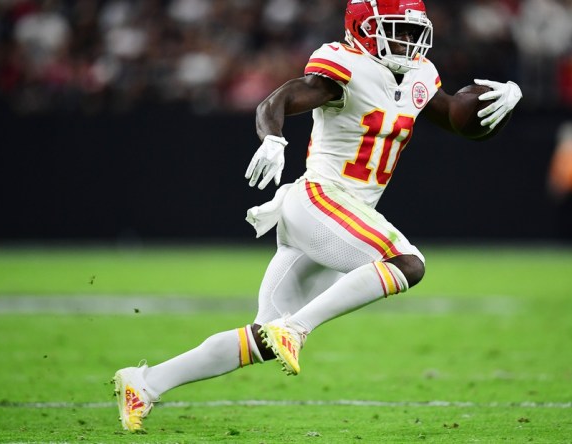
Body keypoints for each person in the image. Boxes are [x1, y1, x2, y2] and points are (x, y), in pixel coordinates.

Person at [112, 0, 522, 432]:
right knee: (407, 263)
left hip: (340, 216)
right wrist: (272, 138)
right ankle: (300, 329)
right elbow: (280, 98)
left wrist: (502, 99)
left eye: (411, 30)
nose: (406, 40)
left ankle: (144, 383)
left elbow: (456, 116)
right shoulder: (345, 66)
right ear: (364, 27)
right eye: (396, 28)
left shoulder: (419, 73)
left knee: (264, 336)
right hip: (319, 200)